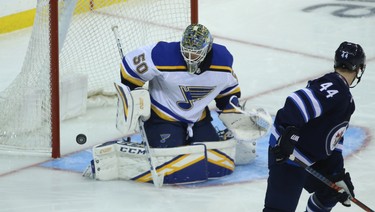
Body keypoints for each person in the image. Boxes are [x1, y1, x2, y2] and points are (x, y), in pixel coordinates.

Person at [119, 23, 269, 149]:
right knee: (171, 156)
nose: (190, 58)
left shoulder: (222, 61)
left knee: (212, 155)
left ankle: (217, 135)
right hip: (163, 115)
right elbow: (129, 69)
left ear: (207, 48)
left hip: (198, 118)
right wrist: (134, 96)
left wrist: (234, 116)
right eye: (187, 52)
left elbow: (228, 94)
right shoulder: (163, 55)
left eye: (195, 53)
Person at [263, 41, 366, 211]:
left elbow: (333, 138)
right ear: (359, 69)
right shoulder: (336, 88)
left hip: (308, 159)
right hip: (288, 157)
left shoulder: (343, 96)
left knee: (331, 191)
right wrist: (287, 137)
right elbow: (297, 102)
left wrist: (337, 173)